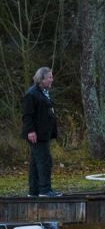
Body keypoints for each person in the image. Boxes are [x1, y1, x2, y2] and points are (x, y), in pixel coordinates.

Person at [21, 67, 62, 197]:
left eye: (51, 76)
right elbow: (27, 115)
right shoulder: (31, 94)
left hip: (44, 134)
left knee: (35, 162)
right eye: (49, 77)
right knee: (44, 160)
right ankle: (45, 190)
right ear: (41, 79)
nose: (52, 79)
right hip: (36, 135)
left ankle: (33, 191)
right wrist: (31, 131)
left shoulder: (43, 93)